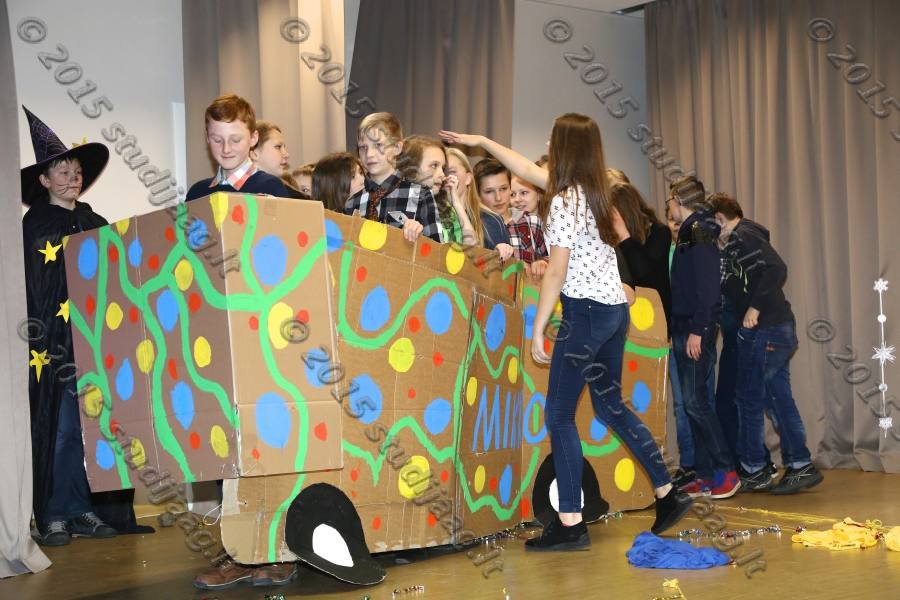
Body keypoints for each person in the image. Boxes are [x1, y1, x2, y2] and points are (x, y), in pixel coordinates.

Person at [443, 115, 693, 550]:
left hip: (586, 314)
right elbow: (525, 168)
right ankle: (667, 491)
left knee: (559, 415)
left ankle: (571, 521)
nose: (546, 144)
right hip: (614, 313)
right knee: (610, 407)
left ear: (564, 148)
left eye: (552, 139)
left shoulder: (562, 202)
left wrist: (539, 326)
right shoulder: (595, 194)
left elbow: (556, 271)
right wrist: (482, 140)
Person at [20, 107, 120, 546]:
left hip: (94, 343)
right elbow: (35, 286)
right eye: (61, 171)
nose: (71, 178)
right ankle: (54, 514)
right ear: (44, 180)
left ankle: (84, 509)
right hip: (54, 347)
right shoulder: (35, 225)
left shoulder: (95, 223)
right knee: (60, 430)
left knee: (90, 429)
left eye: (76, 171)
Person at [709, 193, 823, 494]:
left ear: (720, 218)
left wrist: (755, 307)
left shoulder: (743, 236)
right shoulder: (740, 239)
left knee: (750, 399)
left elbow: (776, 268)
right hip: (773, 329)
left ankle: (756, 468)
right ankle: (798, 464)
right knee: (775, 397)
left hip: (767, 330)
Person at [667, 176, 740, 499]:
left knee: (696, 402)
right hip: (685, 326)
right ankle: (706, 473)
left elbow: (709, 289)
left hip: (696, 328)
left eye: (670, 200)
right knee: (692, 403)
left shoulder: (699, 231)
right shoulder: (690, 231)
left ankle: (727, 472)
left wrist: (698, 329)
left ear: (678, 199)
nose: (669, 206)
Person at [344, 112, 441, 242]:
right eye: (363, 147)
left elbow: (437, 250)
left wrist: (420, 237)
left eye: (378, 145)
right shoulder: (352, 204)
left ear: (397, 147)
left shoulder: (420, 195)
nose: (369, 154)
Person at [185, 94, 289, 201]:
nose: (226, 149)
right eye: (217, 140)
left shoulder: (271, 188)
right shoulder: (197, 193)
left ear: (253, 138)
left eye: (235, 140)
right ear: (207, 138)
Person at [608, 181, 672, 328]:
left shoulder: (660, 233)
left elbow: (643, 273)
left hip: (656, 318)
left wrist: (624, 235)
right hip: (627, 318)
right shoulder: (615, 240)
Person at [394, 135, 476, 244]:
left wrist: (456, 202)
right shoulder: (395, 201)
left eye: (442, 168)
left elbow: (471, 245)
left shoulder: (445, 208)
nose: (442, 175)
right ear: (412, 168)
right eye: (434, 166)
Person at [250, 120, 307, 199]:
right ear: (254, 154)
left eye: (284, 147)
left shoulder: (298, 197)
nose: (287, 154)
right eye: (278, 147)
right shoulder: (234, 188)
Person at [508, 174, 549, 280]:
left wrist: (543, 262)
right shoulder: (510, 224)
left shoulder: (549, 224)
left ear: (539, 194)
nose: (517, 199)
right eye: (512, 194)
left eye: (524, 193)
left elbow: (555, 256)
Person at [471, 158, 514, 256]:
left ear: (511, 188)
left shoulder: (528, 221)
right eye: (489, 191)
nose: (498, 198)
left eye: (503, 188)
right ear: (477, 194)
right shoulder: (474, 227)